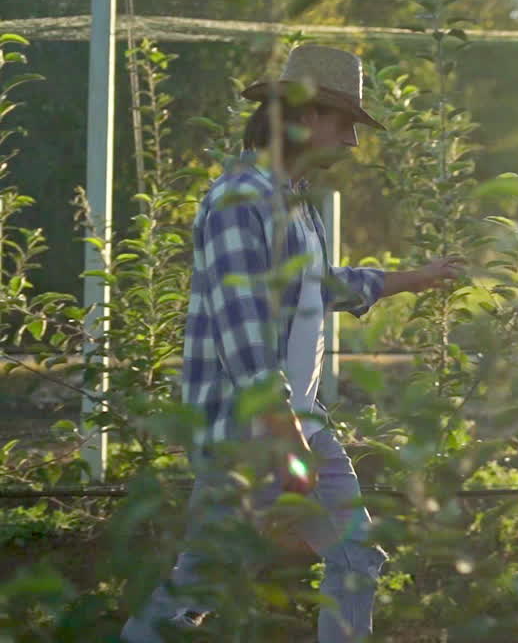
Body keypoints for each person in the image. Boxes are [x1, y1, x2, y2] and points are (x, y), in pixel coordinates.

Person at [121, 45, 463, 643]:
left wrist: (416, 277)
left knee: (356, 557)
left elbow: (321, 287)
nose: (354, 142)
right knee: (203, 584)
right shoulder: (238, 202)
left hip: (299, 422)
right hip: (249, 433)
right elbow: (245, 334)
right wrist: (288, 445)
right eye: (345, 123)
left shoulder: (295, 202)